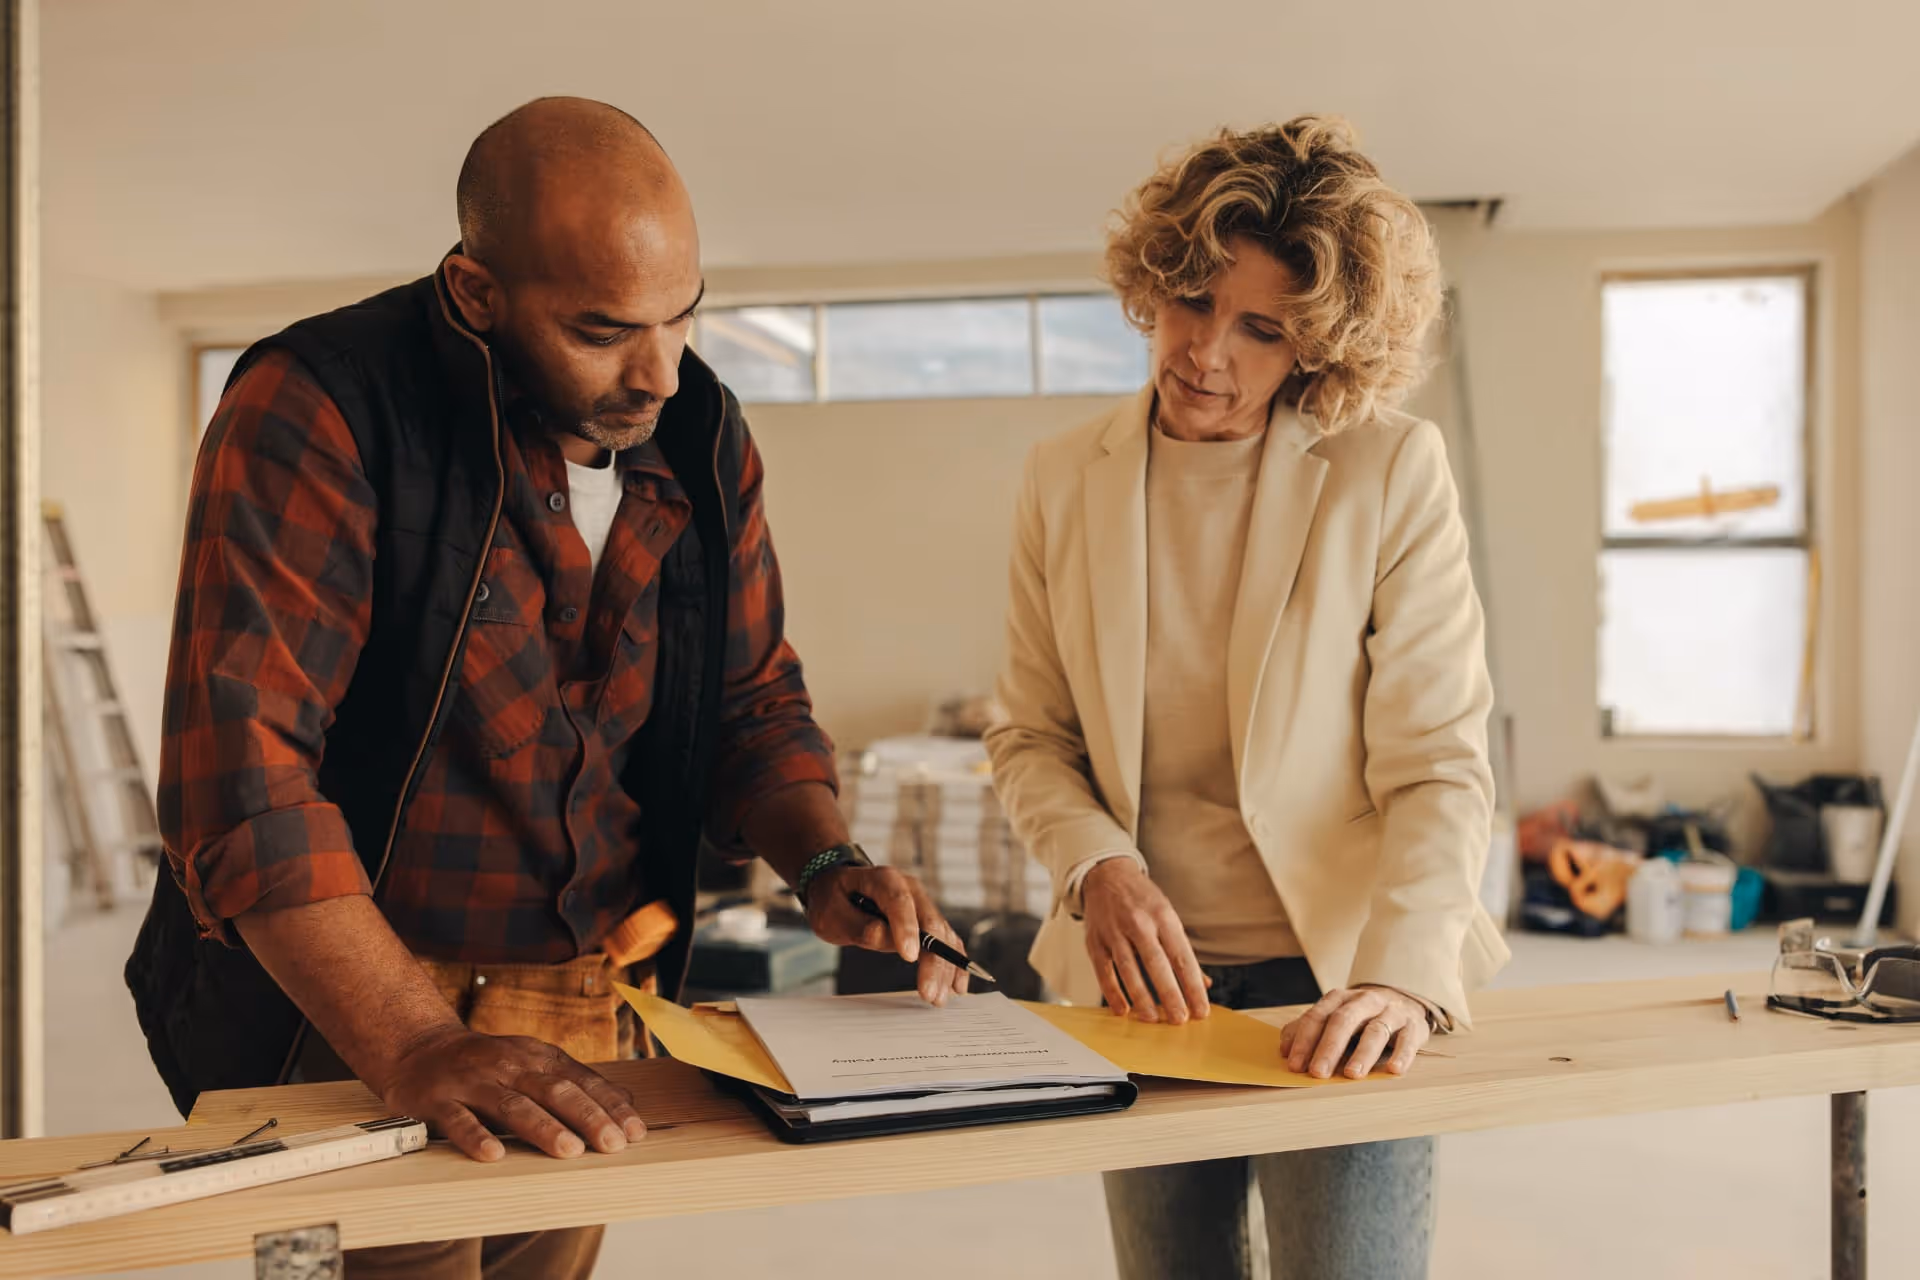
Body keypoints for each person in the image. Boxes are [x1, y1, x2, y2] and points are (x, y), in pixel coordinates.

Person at [126, 97, 963, 1280]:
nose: (660, 372)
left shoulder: (702, 434)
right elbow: (240, 777)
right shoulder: (319, 405)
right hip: (348, 1007)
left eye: (685, 315)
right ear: (475, 293)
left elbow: (752, 700)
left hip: (584, 1002)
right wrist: (416, 1038)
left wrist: (825, 860)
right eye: (602, 328)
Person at [983, 117, 1510, 1280]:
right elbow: (1029, 734)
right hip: (1138, 990)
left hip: (1336, 979)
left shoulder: (1391, 468)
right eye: (1191, 302)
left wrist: (1399, 977)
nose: (1206, 352)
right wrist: (1096, 866)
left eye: (1261, 328)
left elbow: (1437, 762)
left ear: (1317, 347)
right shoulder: (1061, 476)